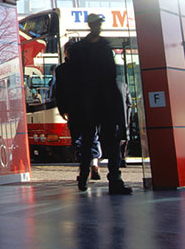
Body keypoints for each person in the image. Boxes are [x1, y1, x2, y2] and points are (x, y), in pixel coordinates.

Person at [69, 13, 132, 195]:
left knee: (96, 141)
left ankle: (93, 178)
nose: (99, 27)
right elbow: (110, 76)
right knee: (99, 141)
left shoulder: (82, 48)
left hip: (95, 102)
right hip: (96, 102)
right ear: (92, 25)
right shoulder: (101, 48)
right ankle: (106, 179)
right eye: (97, 24)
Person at [53, 41, 101, 179]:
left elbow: (59, 93)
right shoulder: (89, 67)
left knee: (79, 140)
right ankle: (94, 163)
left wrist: (63, 110)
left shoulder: (61, 70)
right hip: (90, 109)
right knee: (92, 137)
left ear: (67, 52)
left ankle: (83, 170)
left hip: (73, 110)